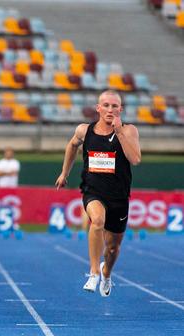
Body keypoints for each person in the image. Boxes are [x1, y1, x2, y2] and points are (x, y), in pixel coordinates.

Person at [55, 90, 141, 297]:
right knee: (97, 221)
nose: (110, 109)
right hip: (93, 190)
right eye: (106, 105)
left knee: (112, 249)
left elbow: (135, 159)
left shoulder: (128, 130)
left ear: (120, 109)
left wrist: (119, 132)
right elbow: (72, 145)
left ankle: (106, 272)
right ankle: (93, 272)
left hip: (118, 196)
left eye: (114, 106)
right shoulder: (85, 130)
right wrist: (64, 173)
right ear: (98, 108)